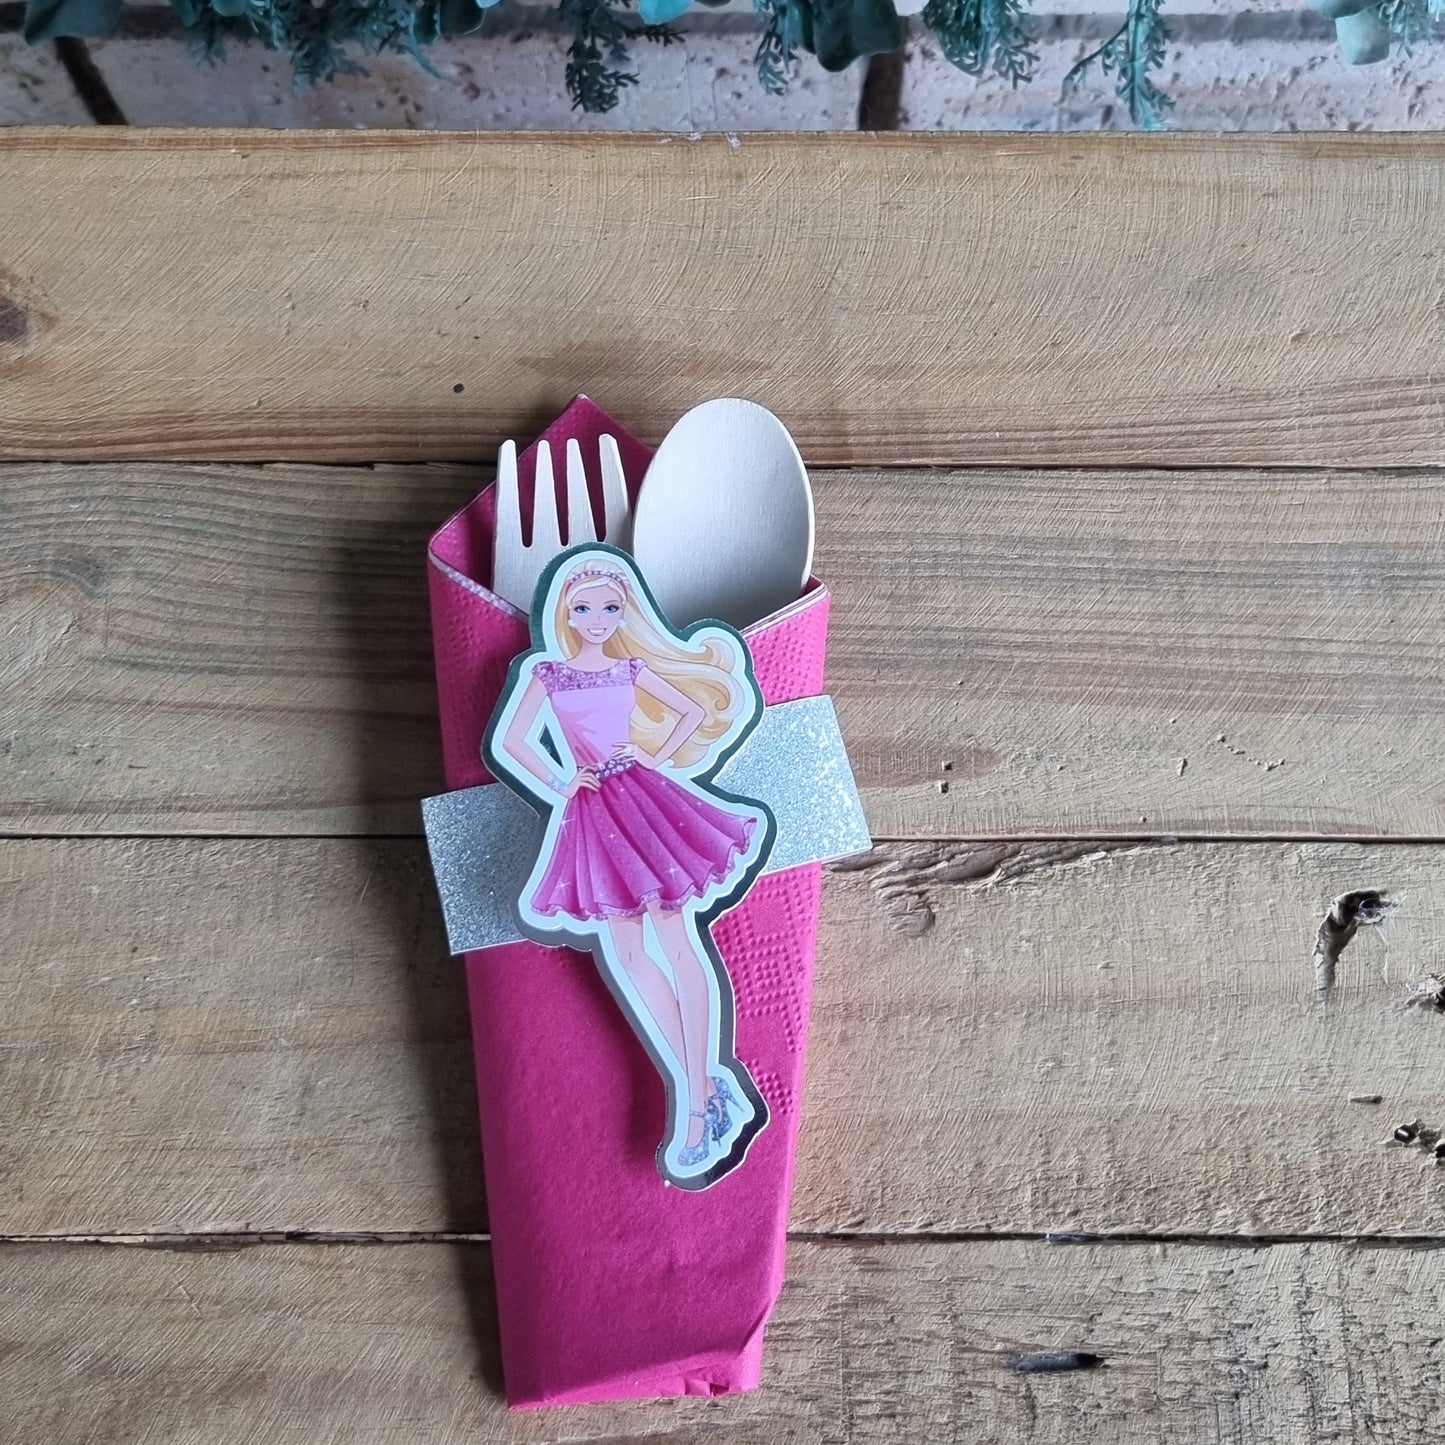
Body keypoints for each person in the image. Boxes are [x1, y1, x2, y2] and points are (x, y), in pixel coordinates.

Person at [490, 548, 770, 1181]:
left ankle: (699, 1104)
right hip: (591, 810)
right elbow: (511, 742)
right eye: (584, 608)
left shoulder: (628, 667)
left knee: (675, 940)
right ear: (565, 611)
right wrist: (562, 782)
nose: (596, 618)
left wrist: (655, 758)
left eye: (609, 608)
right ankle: (699, 1087)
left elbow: (693, 711)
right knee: (627, 951)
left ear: (623, 613)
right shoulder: (547, 674)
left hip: (638, 795)